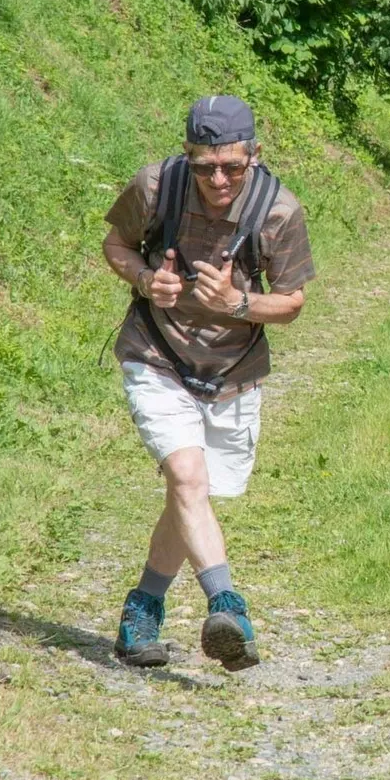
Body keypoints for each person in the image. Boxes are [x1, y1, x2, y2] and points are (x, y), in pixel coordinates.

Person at [101, 95, 315, 671]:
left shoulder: (278, 211)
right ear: (187, 155)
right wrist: (145, 279)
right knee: (187, 476)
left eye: (232, 167)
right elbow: (115, 245)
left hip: (232, 371)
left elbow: (292, 302)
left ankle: (141, 610)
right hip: (156, 354)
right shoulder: (155, 187)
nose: (218, 180)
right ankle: (227, 606)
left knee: (192, 493)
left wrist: (238, 302)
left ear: (254, 155)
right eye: (204, 167)